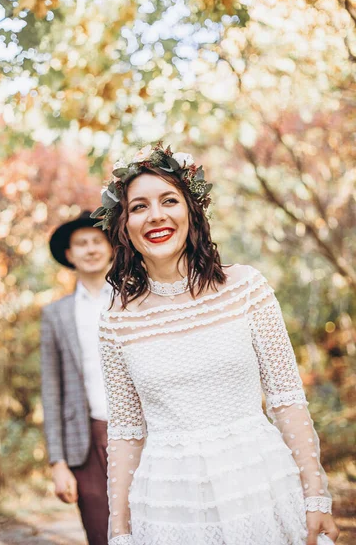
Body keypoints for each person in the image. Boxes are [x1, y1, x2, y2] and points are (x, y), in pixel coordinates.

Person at [91, 143, 339, 545]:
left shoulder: (247, 289)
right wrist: (118, 530)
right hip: (170, 500)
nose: (156, 215)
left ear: (192, 211)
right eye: (139, 207)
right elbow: (126, 431)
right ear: (123, 224)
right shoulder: (116, 321)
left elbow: (286, 398)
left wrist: (316, 496)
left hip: (259, 483)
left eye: (169, 200)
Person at [40, 210, 113, 545]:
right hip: (85, 439)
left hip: (146, 433)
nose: (90, 249)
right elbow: (51, 390)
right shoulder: (56, 314)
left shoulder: (136, 298)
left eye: (97, 240)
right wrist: (58, 463)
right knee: (100, 532)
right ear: (69, 255)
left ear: (111, 247)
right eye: (81, 243)